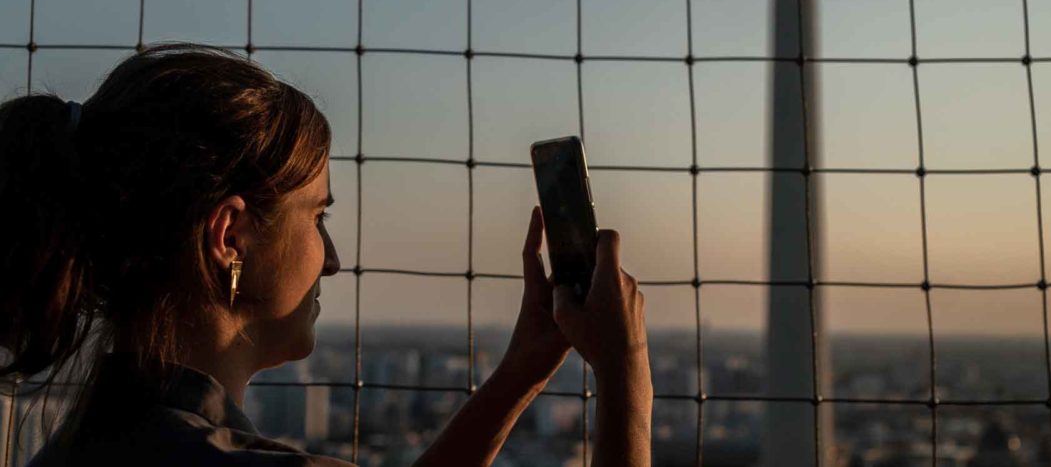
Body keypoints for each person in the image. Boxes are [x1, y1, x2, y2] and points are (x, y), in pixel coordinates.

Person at [0, 42, 652, 466]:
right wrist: (626, 380)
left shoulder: (80, 446)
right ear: (229, 236)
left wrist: (520, 370)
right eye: (318, 215)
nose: (333, 258)